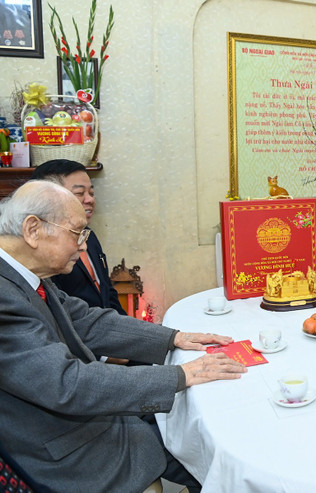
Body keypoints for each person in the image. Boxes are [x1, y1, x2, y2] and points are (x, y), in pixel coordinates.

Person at [0, 180, 247, 492]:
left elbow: (85, 320)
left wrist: (172, 338)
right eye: (77, 233)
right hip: (66, 451)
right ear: (33, 230)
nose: (83, 246)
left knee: (205, 445)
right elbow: (67, 383)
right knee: (213, 453)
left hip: (89, 422)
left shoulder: (23, 273)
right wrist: (180, 375)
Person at [31, 159, 126, 315]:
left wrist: (130, 327)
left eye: (91, 193)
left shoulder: (90, 236)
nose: (90, 200)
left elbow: (108, 293)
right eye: (80, 193)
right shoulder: (44, 247)